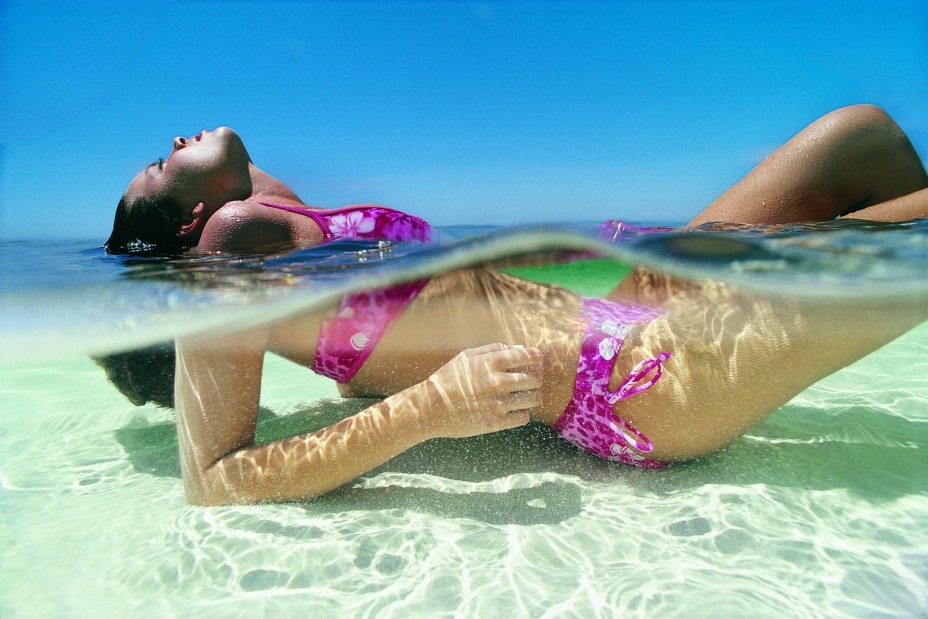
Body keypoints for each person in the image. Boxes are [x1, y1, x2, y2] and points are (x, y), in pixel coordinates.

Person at [99, 104, 927, 505]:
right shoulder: (227, 248)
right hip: (631, 375)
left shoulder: (269, 209)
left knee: (865, 140)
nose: (171, 141)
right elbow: (213, 481)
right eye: (157, 167)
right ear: (187, 225)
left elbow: (375, 316)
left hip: (628, 284)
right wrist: (426, 408)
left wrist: (373, 372)